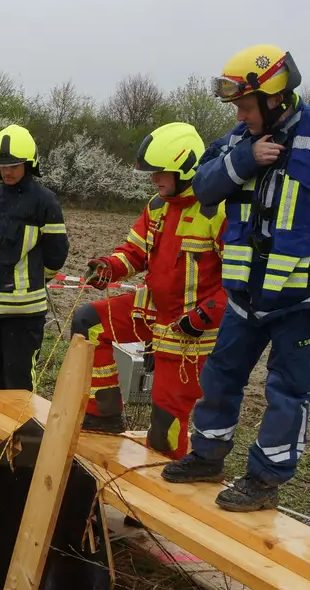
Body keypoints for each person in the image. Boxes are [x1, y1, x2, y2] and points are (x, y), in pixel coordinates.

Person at [160, 46, 310, 512]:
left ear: (276, 97)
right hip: (244, 295)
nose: (239, 114)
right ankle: (207, 456)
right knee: (220, 377)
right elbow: (202, 186)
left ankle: (265, 480)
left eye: (246, 105)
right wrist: (246, 160)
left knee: (288, 392)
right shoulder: (240, 139)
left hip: (303, 301)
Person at [74, 123, 228, 457]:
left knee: (164, 435)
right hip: (153, 310)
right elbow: (133, 253)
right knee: (88, 322)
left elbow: (239, 282)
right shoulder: (157, 206)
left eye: (160, 173)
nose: (153, 180)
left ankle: (162, 495)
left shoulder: (218, 211)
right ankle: (105, 413)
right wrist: (108, 267)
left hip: (191, 333)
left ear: (186, 169)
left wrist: (206, 314)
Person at [0, 124, 69, 394]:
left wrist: (33, 279)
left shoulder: (45, 201)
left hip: (24, 312)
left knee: (18, 379)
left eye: (12, 165)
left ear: (29, 163)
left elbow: (57, 254)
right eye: (1, 166)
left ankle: (22, 432)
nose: (6, 171)